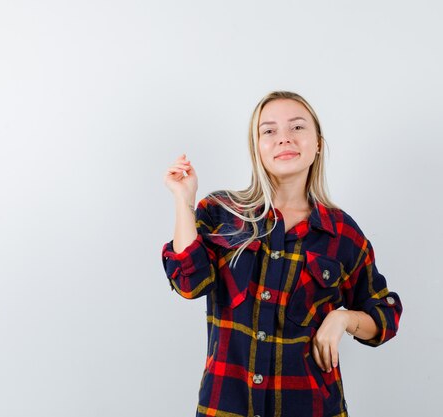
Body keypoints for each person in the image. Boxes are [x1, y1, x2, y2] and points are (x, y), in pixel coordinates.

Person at [161, 91, 402, 417]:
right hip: (226, 407)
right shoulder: (220, 212)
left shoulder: (341, 233)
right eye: (269, 131)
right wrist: (183, 201)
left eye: (297, 127)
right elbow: (190, 283)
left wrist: (343, 318)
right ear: (257, 147)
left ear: (317, 143)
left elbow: (384, 313)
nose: (284, 139)